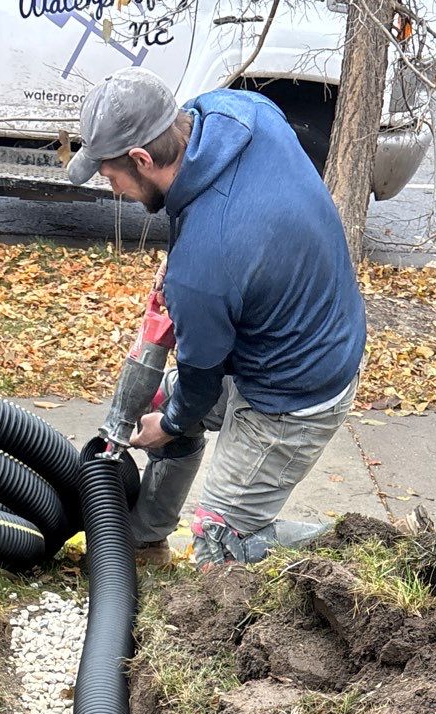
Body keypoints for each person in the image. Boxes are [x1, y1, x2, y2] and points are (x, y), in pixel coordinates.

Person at [68, 70, 366, 566]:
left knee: (218, 545)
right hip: (306, 325)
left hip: (296, 390)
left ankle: (359, 545)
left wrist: (171, 423)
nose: (113, 189)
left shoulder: (207, 263)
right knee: (160, 402)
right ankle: (145, 541)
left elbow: (201, 386)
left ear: (142, 159)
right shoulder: (236, 111)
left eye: (110, 175)